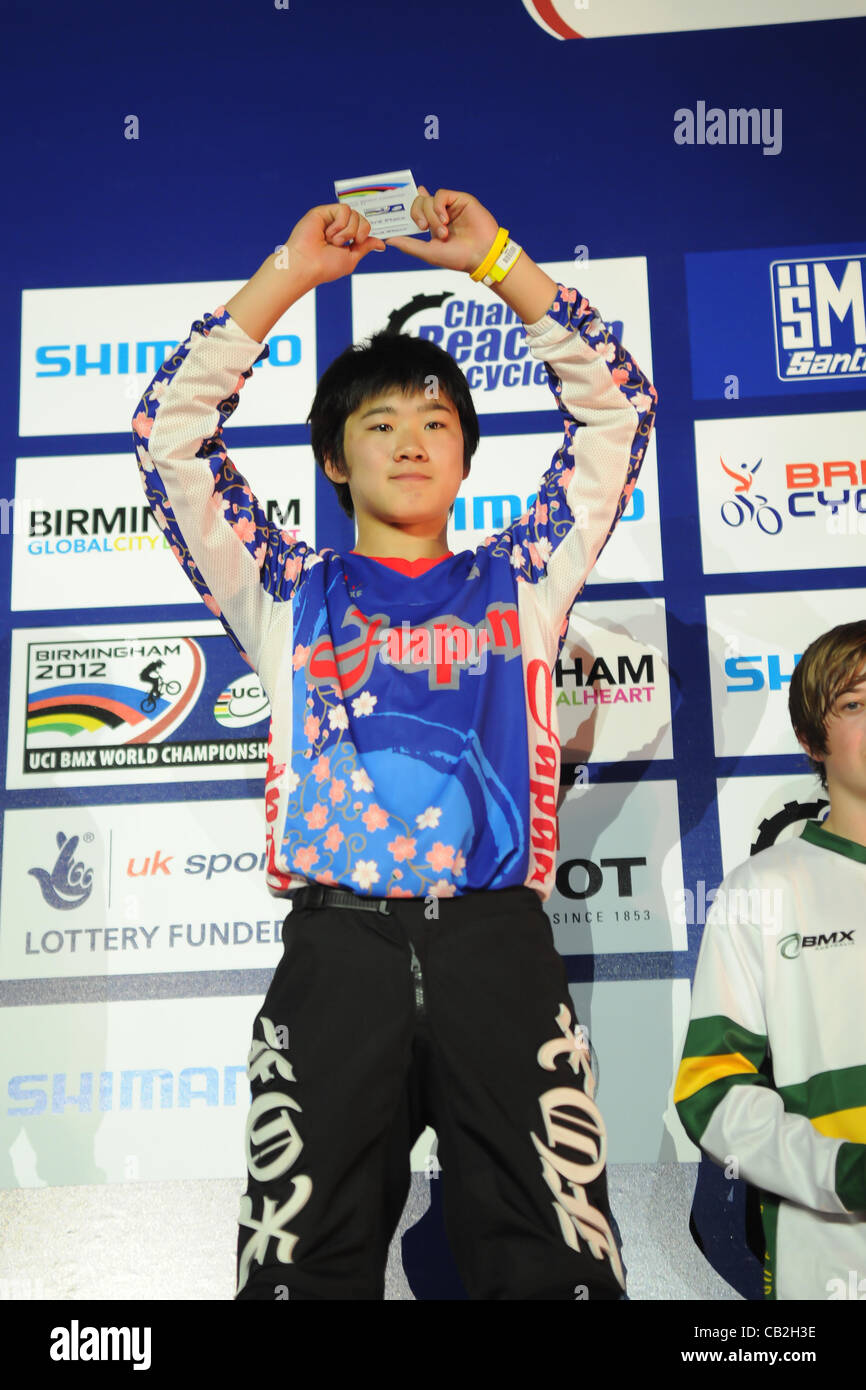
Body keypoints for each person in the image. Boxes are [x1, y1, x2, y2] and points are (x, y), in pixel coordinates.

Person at [131, 186, 657, 1300]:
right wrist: (285, 276)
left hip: (495, 948)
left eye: (435, 423)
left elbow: (615, 410)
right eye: (379, 423)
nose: (411, 443)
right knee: (297, 1273)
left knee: (559, 1267)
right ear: (333, 458)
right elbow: (168, 437)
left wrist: (499, 261)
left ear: (467, 455)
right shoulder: (284, 588)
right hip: (338, 955)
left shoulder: (523, 575)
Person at [675, 620, 866, 1300]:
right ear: (812, 741)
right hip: (833, 1261)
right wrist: (842, 1171)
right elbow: (712, 1093)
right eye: (855, 704)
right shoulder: (763, 891)